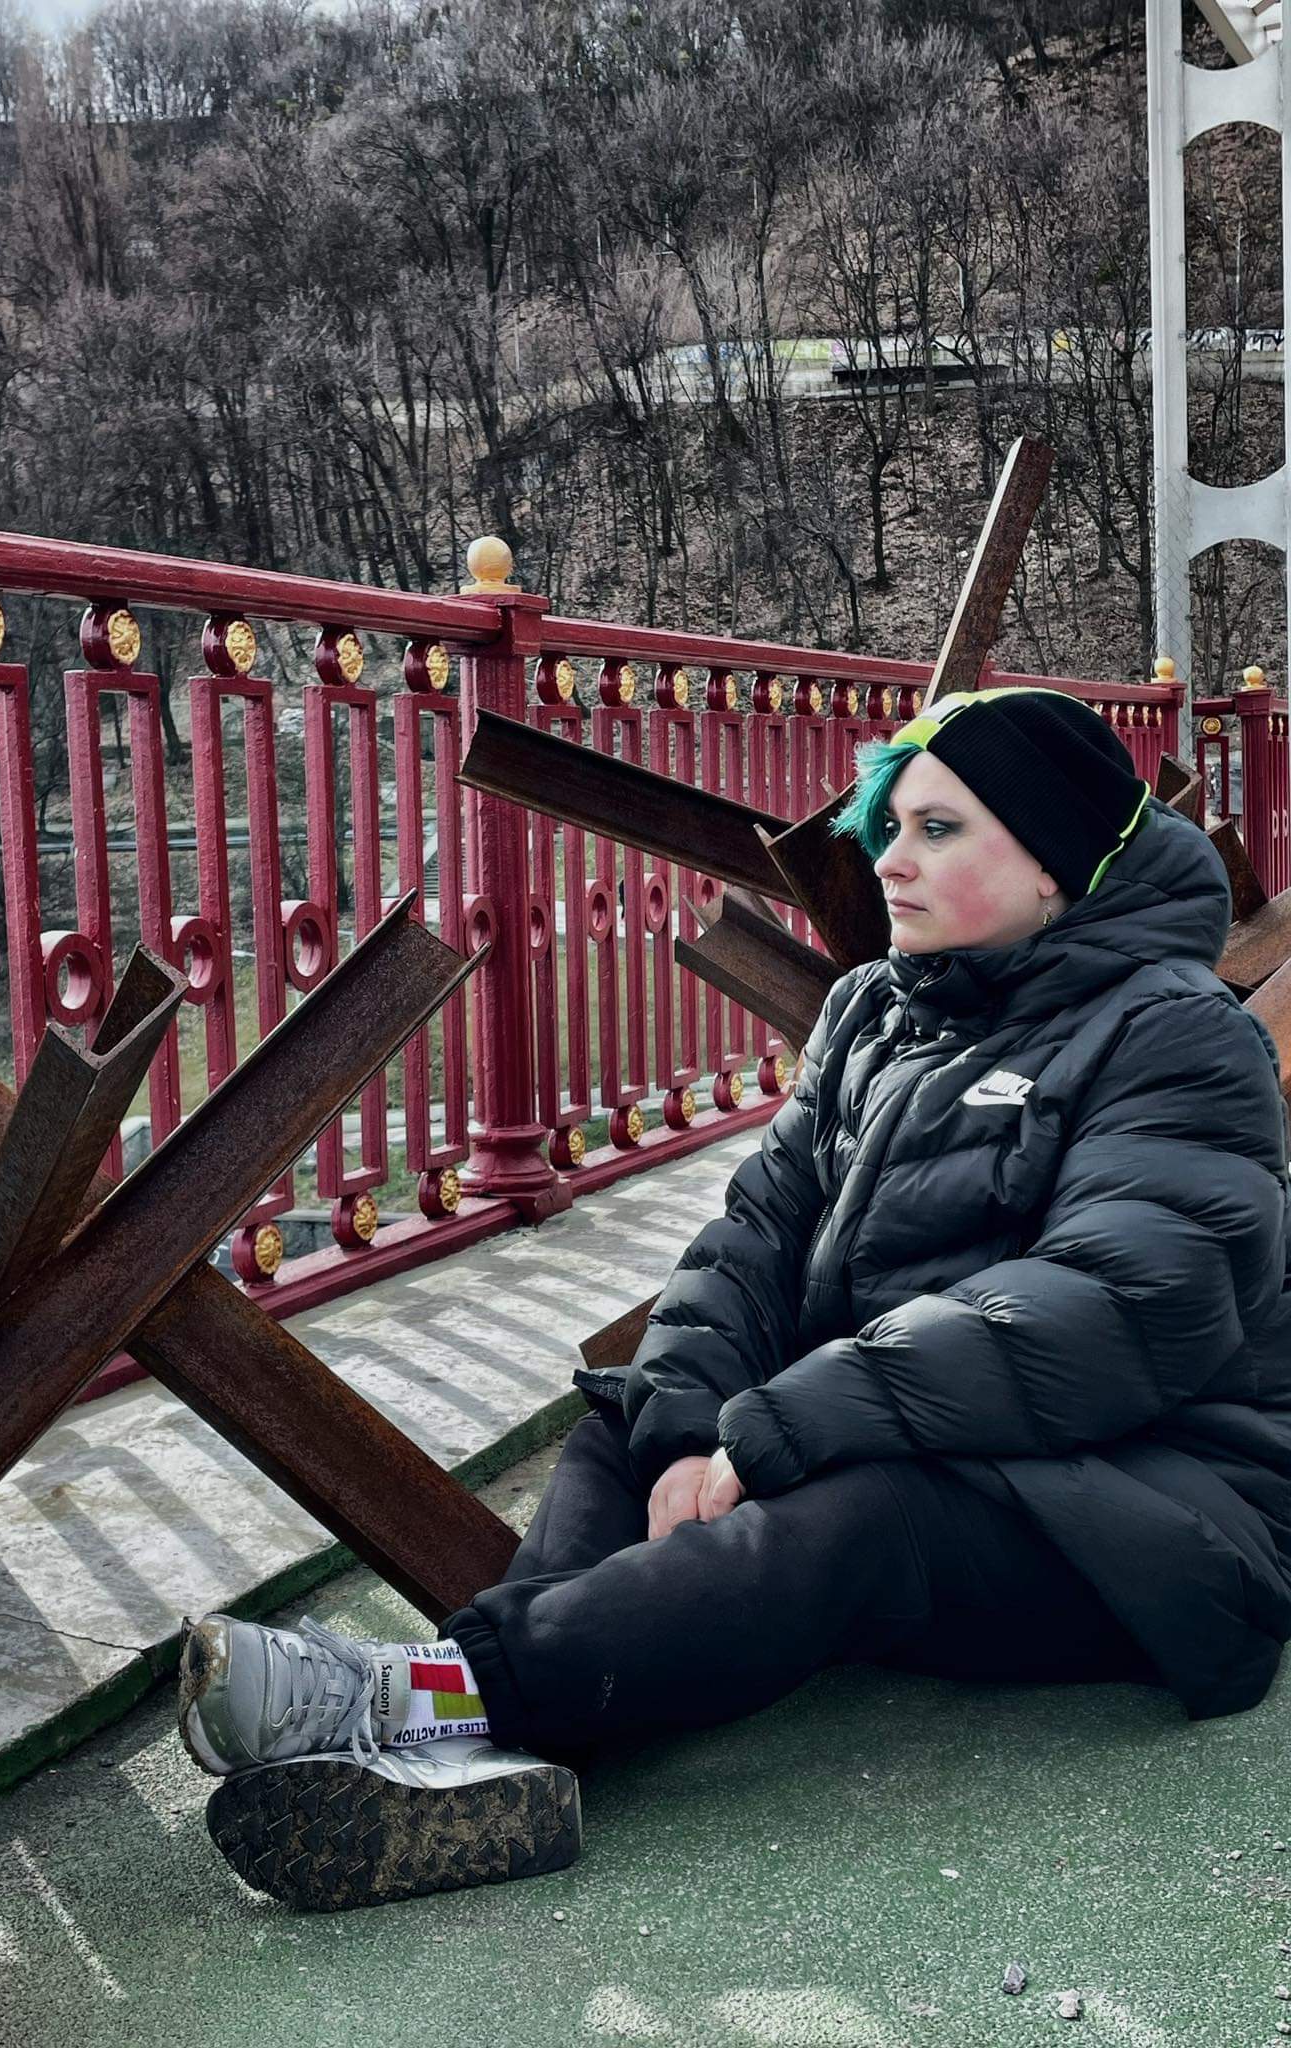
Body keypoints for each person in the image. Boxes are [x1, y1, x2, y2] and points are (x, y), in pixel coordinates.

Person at [176, 686, 1291, 1913]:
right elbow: (757, 1230)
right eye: (889, 825)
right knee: (625, 1421)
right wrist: (698, 1412)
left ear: (1055, 863)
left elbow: (1120, 1303)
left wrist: (788, 1422)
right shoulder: (879, 1010)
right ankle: (486, 1749)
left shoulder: (1179, 1036)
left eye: (938, 829)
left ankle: (416, 1692)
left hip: (1146, 1501)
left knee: (870, 1512)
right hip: (926, 1432)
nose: (889, 858)